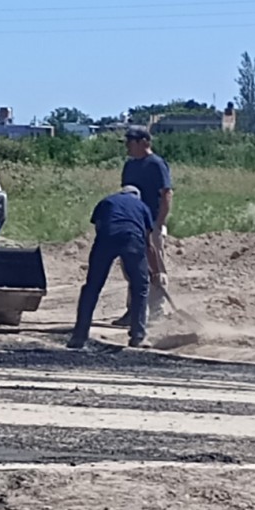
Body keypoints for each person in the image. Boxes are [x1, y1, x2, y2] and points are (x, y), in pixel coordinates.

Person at [67, 185, 156, 349]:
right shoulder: (142, 206)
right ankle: (138, 336)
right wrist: (152, 270)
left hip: (105, 240)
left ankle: (78, 337)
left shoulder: (106, 201)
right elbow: (148, 243)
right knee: (140, 287)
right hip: (132, 240)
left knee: (92, 287)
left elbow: (99, 227)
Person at [113, 126, 173, 326]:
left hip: (152, 223)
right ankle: (134, 311)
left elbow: (166, 194)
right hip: (132, 224)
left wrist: (159, 224)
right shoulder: (129, 166)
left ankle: (157, 310)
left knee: (156, 266)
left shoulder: (156, 164)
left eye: (130, 142)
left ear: (144, 142)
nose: (127, 146)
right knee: (131, 267)